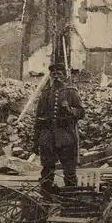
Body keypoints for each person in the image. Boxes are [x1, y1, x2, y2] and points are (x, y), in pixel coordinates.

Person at [33, 62, 85, 197]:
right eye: (54, 74)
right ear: (50, 75)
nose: (56, 76)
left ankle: (71, 200)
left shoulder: (72, 92)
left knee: (69, 171)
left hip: (67, 137)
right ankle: (46, 198)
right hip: (48, 138)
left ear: (64, 75)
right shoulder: (45, 94)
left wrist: (70, 110)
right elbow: (38, 118)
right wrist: (36, 141)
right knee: (47, 169)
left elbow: (81, 112)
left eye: (59, 74)